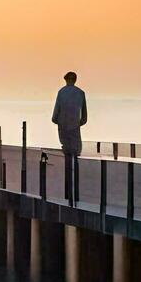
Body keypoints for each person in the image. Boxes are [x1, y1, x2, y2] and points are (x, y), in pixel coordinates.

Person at [52, 71, 87, 202]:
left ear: (66, 80)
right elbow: (84, 118)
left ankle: (67, 191)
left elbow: (55, 115)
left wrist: (60, 121)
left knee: (66, 155)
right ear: (75, 80)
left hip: (63, 128)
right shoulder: (81, 93)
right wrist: (76, 123)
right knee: (76, 155)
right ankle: (75, 189)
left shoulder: (61, 92)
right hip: (75, 129)